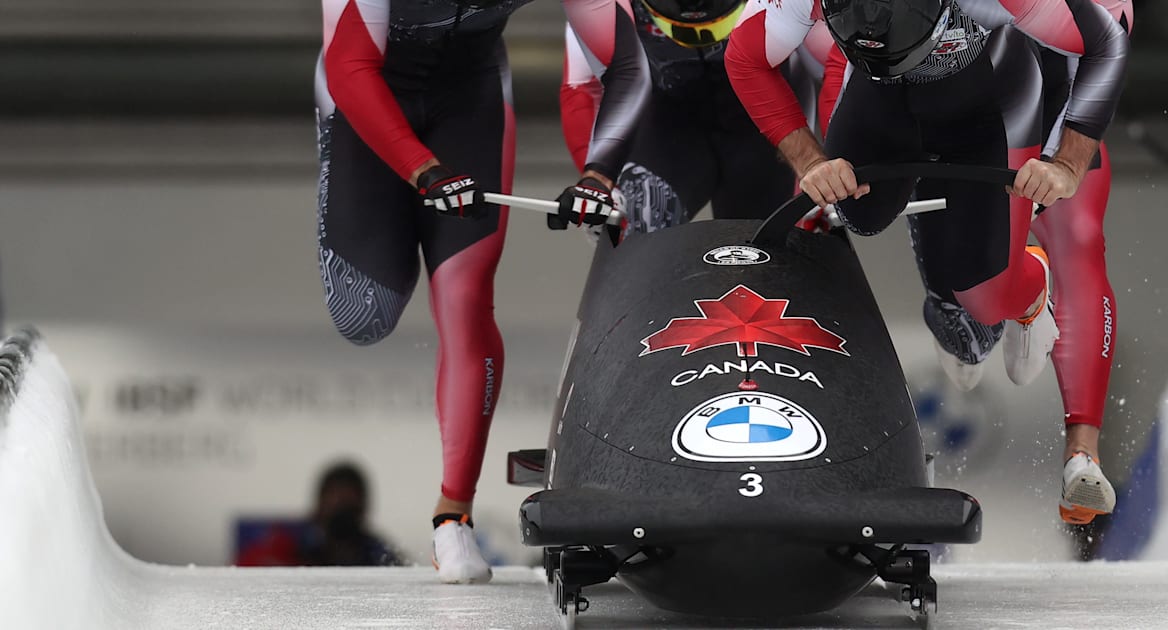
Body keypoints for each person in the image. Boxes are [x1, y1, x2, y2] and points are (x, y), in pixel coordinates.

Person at [726, 0, 1127, 519]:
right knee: (857, 210)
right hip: (881, 92)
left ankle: (1026, 292)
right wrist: (812, 161)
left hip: (993, 101)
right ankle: (953, 270)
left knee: (989, 292)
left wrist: (1067, 161)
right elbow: (744, 57)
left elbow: (1105, 42)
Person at [316, 0, 649, 583]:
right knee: (362, 313)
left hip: (470, 94)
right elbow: (350, 66)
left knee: (465, 299)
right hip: (362, 84)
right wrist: (422, 169)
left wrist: (599, 173)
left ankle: (453, 516)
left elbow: (629, 65)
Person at [560, 0, 827, 233]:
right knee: (643, 219)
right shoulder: (600, 8)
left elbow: (834, 71)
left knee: (773, 249)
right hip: (667, 133)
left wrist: (826, 168)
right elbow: (581, 90)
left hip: (762, 137)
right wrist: (600, 185)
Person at [237, 461, 401, 567]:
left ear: (364, 508)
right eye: (337, 502)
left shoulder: (378, 553)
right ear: (319, 504)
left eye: (350, 506)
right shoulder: (286, 543)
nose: (343, 512)